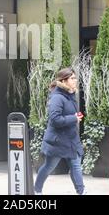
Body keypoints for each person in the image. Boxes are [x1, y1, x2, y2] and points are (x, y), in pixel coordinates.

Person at [34, 67, 87, 195]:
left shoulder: (69, 94)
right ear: (64, 80)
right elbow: (55, 119)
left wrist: (75, 118)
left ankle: (81, 192)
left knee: (75, 165)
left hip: (71, 139)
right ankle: (37, 190)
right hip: (58, 141)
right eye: (72, 78)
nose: (75, 80)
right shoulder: (57, 97)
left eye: (75, 78)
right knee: (49, 167)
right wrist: (73, 118)